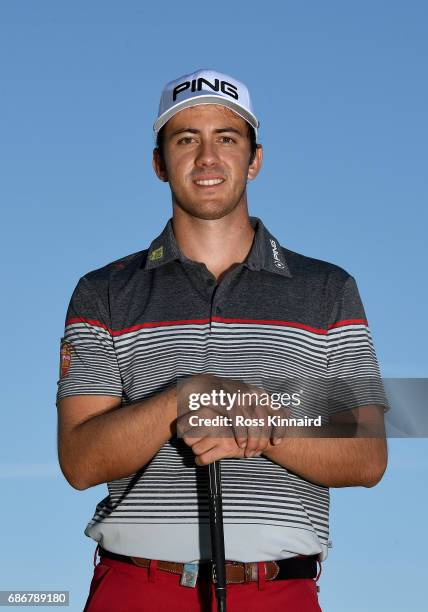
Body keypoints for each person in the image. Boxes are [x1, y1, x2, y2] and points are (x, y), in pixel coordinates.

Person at [56, 68, 388, 612]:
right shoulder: (104, 291)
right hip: (137, 588)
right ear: (160, 163)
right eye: (186, 139)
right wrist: (184, 398)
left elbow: (368, 453)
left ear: (255, 159)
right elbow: (80, 460)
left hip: (280, 590)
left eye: (227, 139)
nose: (207, 158)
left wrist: (262, 422)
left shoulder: (327, 288)